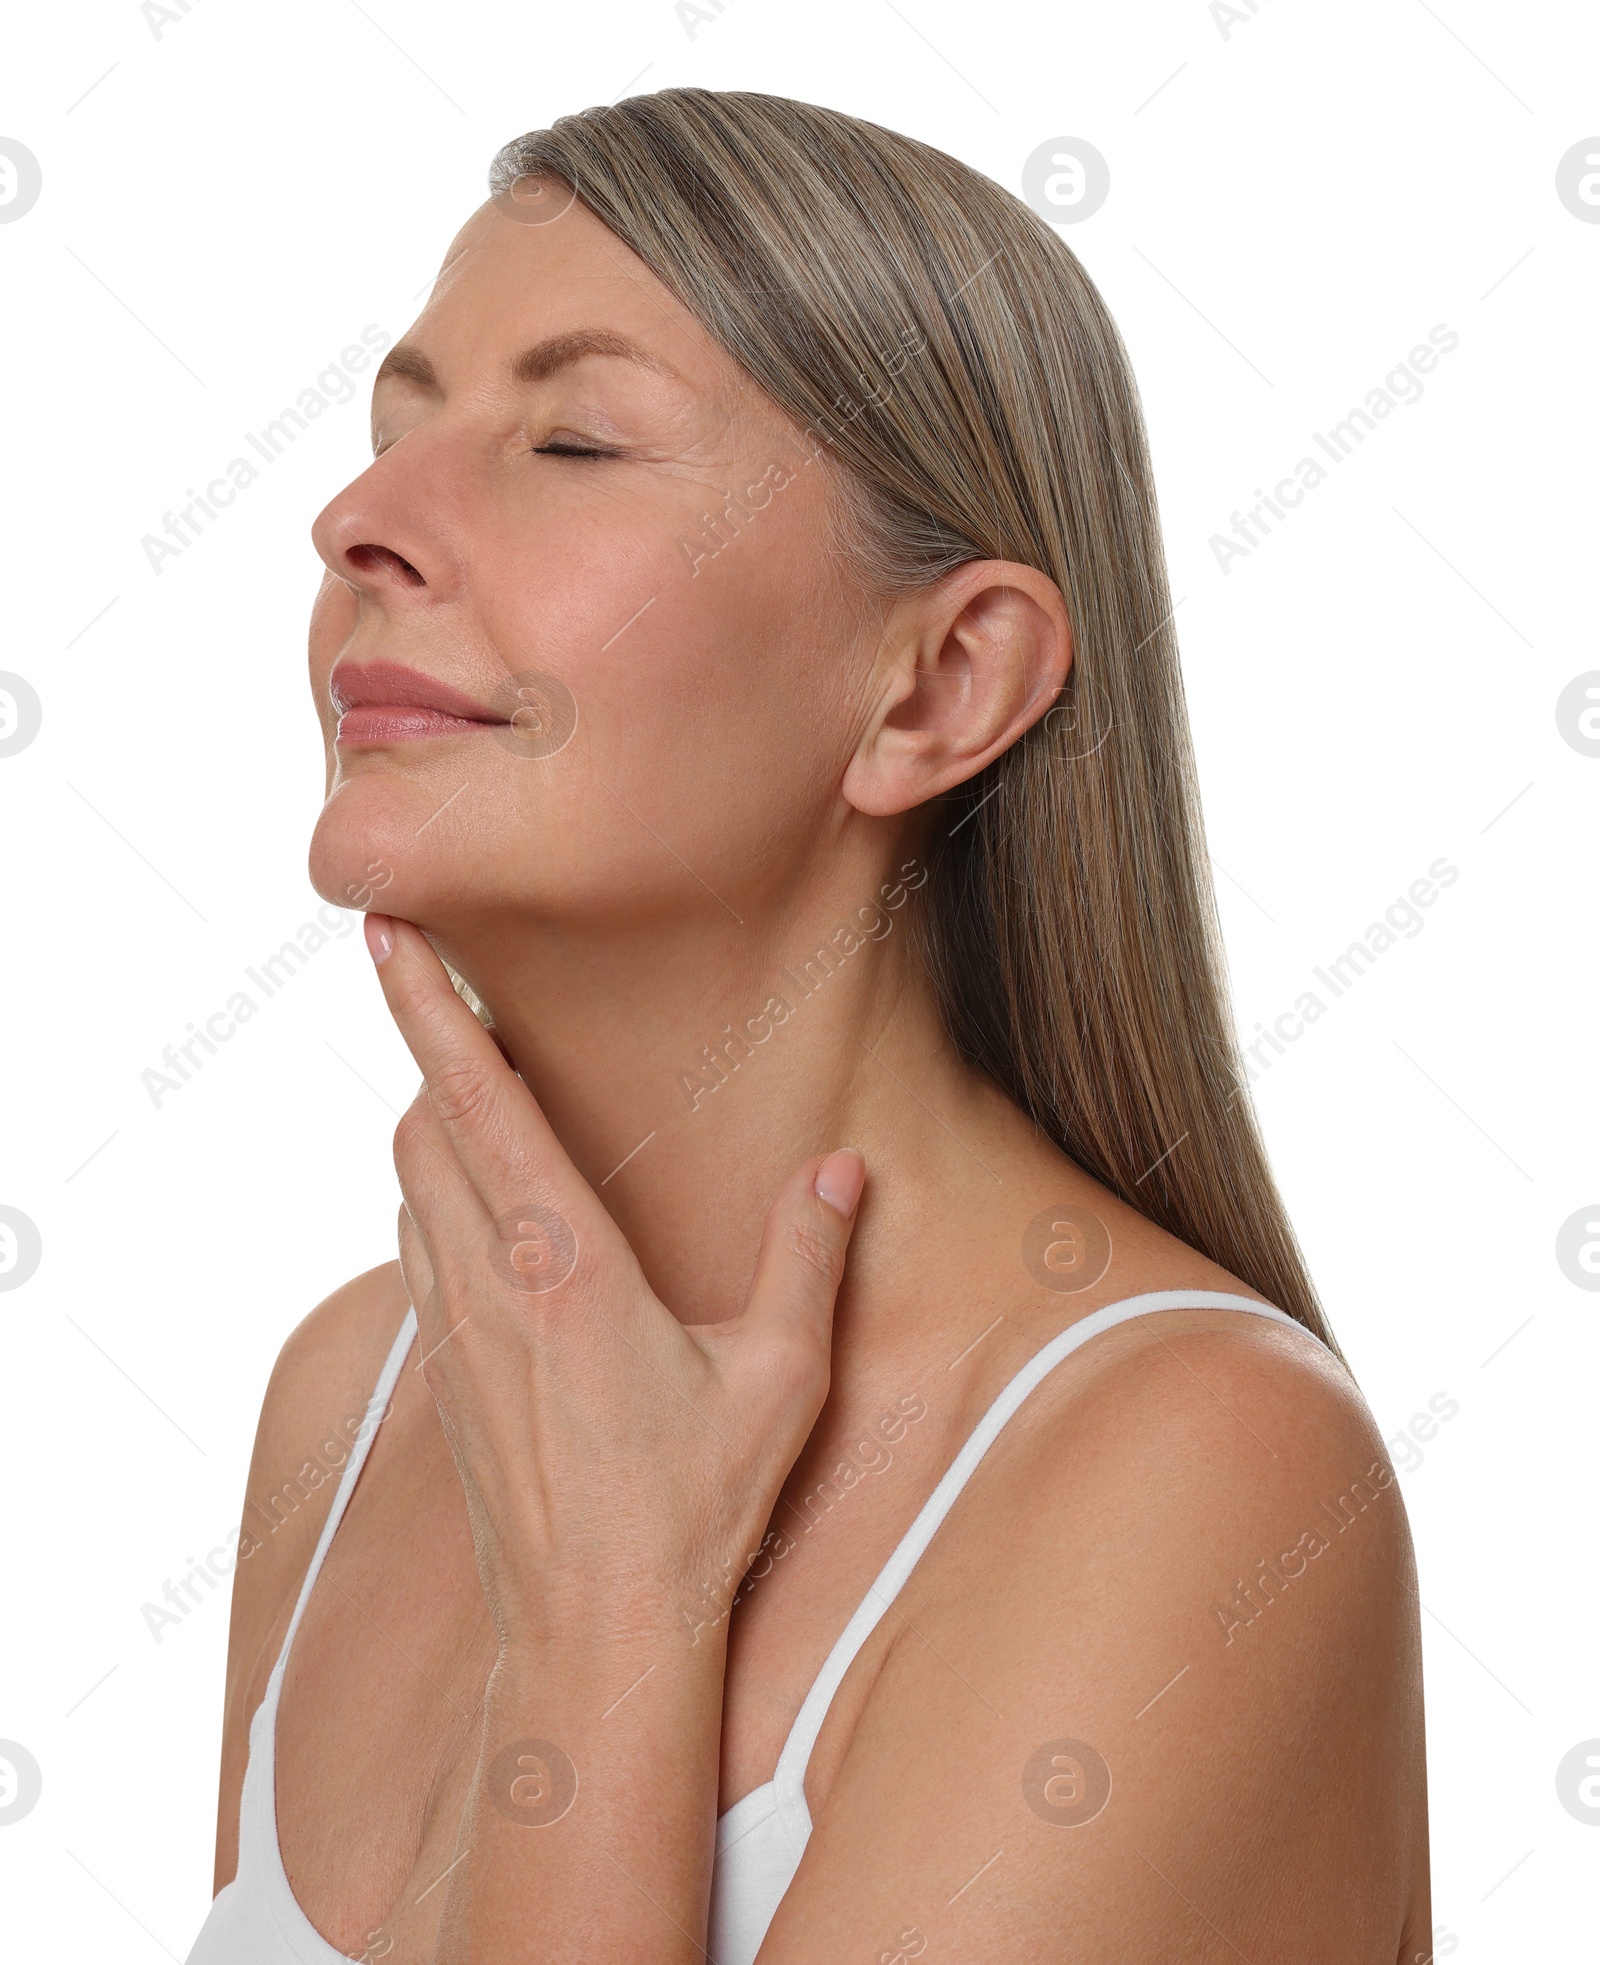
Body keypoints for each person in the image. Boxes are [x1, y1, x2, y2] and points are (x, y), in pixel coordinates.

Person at [186, 87, 1431, 1965]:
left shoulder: (1187, 1477)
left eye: (577, 439)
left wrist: (610, 1616)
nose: (357, 521)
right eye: (392, 431)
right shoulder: (361, 1391)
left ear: (941, 683)